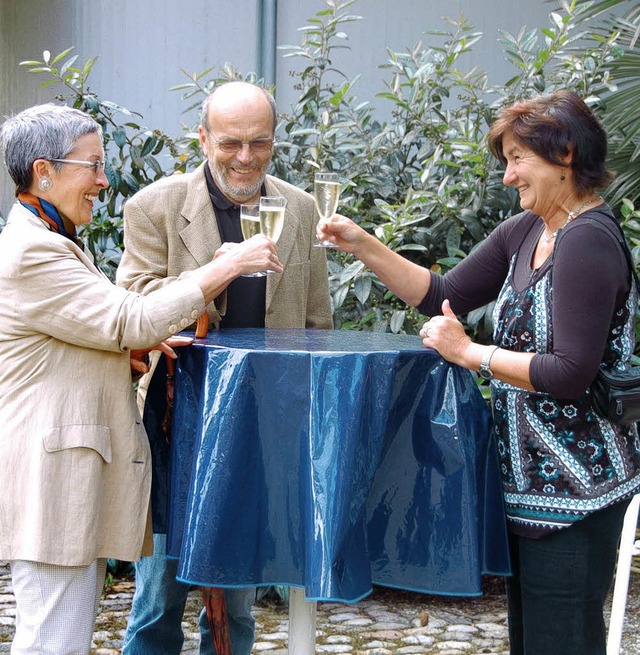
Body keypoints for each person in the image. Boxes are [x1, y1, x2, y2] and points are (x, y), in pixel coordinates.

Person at [317, 90, 640, 655]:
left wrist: (470, 354)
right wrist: (362, 244)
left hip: (577, 495)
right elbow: (442, 294)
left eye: (519, 158)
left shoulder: (588, 240)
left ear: (565, 153)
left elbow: (568, 373)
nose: (509, 174)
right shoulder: (528, 231)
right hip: (528, 489)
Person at [0, 103, 283, 655]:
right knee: (53, 640)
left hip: (65, 474)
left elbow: (88, 333)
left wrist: (124, 352)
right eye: (93, 166)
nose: (103, 181)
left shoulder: (51, 239)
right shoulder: (33, 251)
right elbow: (129, 316)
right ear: (44, 172)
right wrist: (226, 265)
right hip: (53, 477)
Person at [117, 81, 332, 655]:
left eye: (259, 143)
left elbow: (316, 324)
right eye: (231, 142)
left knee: (238, 585)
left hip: (260, 420)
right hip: (174, 418)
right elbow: (132, 304)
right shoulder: (154, 207)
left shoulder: (300, 207)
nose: (246, 157)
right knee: (161, 586)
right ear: (203, 138)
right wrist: (212, 279)